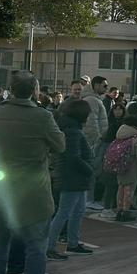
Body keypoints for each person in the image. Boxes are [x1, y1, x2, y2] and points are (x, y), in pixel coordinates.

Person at [0, 71, 66, 274]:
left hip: (2, 189)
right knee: (35, 248)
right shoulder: (42, 116)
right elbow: (60, 145)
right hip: (33, 191)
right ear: (34, 90)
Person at [44, 99, 95, 260]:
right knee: (64, 213)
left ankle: (73, 242)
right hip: (72, 177)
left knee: (76, 212)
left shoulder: (69, 127)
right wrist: (89, 169)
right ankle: (50, 247)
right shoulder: (73, 130)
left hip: (73, 177)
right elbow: (73, 157)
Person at [112, 115, 137, 222]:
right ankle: (125, 212)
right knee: (129, 190)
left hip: (119, 165)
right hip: (132, 166)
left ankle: (119, 211)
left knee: (121, 188)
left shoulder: (120, 134)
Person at [83, 77, 110, 211]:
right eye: (104, 86)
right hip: (94, 142)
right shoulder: (92, 100)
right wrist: (97, 140)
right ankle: (88, 199)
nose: (106, 89)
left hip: (95, 141)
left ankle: (88, 199)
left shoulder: (93, 99)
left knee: (92, 171)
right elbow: (91, 123)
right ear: (96, 85)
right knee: (92, 171)